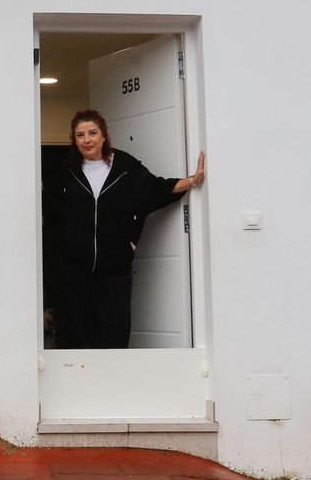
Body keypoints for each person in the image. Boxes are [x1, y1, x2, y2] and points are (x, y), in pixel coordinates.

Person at [47, 109, 205, 349]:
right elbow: (51, 215)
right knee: (76, 326)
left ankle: (112, 379)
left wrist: (193, 180)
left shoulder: (125, 168)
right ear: (74, 139)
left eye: (92, 133)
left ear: (103, 135)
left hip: (114, 266)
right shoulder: (65, 173)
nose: (87, 140)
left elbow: (155, 189)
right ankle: (79, 379)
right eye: (80, 135)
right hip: (73, 268)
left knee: (113, 325)